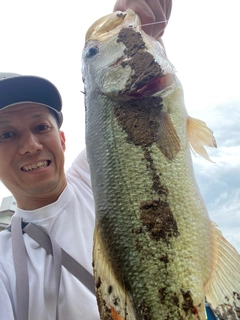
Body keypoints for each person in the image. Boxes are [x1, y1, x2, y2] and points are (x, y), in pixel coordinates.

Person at [0, 1, 172, 319]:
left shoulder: (103, 171)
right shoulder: (4, 263)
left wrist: (146, 31)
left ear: (62, 140)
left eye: (41, 127)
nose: (31, 145)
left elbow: (140, 113)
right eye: (5, 135)